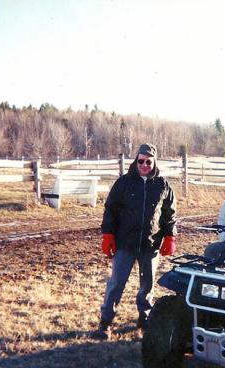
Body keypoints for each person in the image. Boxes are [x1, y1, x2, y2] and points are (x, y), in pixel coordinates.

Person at [93, 143, 177, 340]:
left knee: (147, 284)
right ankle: (105, 322)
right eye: (141, 161)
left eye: (149, 161)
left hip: (150, 244)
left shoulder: (163, 185)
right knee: (116, 284)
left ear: (154, 162)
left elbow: (170, 214)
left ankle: (144, 317)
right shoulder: (124, 183)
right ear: (136, 160)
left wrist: (170, 236)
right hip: (125, 244)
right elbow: (110, 210)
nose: (144, 165)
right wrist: (108, 235)